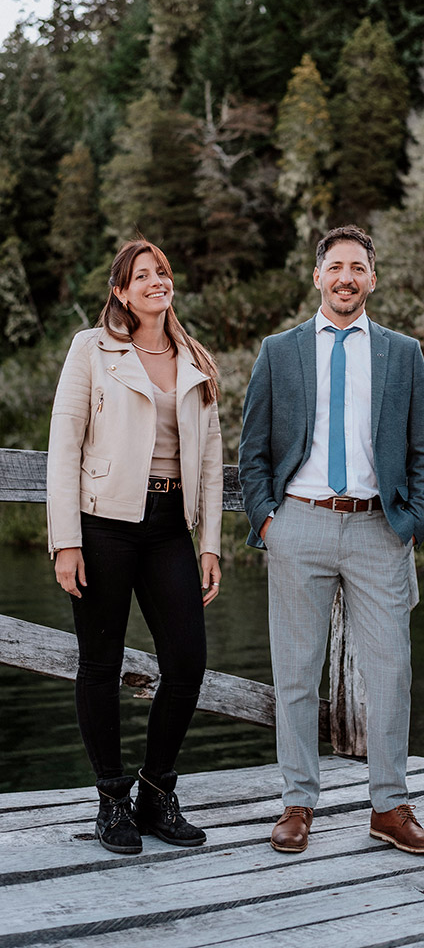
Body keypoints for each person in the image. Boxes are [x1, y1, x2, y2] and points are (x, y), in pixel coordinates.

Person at [239, 225, 424, 854]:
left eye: (357, 267)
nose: (346, 278)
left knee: (392, 672)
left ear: (372, 278)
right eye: (336, 267)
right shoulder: (279, 351)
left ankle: (389, 807)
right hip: (298, 524)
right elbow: (252, 449)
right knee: (297, 673)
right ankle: (298, 802)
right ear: (318, 275)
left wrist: (410, 524)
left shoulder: (403, 353)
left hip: (380, 528)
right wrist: (268, 521)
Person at [47, 238, 223, 855]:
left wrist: (210, 544)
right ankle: (111, 800)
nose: (156, 281)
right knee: (99, 664)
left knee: (187, 661)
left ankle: (156, 790)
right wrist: (65, 541)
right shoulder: (91, 349)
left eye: (162, 272)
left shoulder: (194, 358)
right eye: (142, 275)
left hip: (170, 526)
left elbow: (212, 458)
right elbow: (64, 445)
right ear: (121, 291)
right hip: (103, 524)